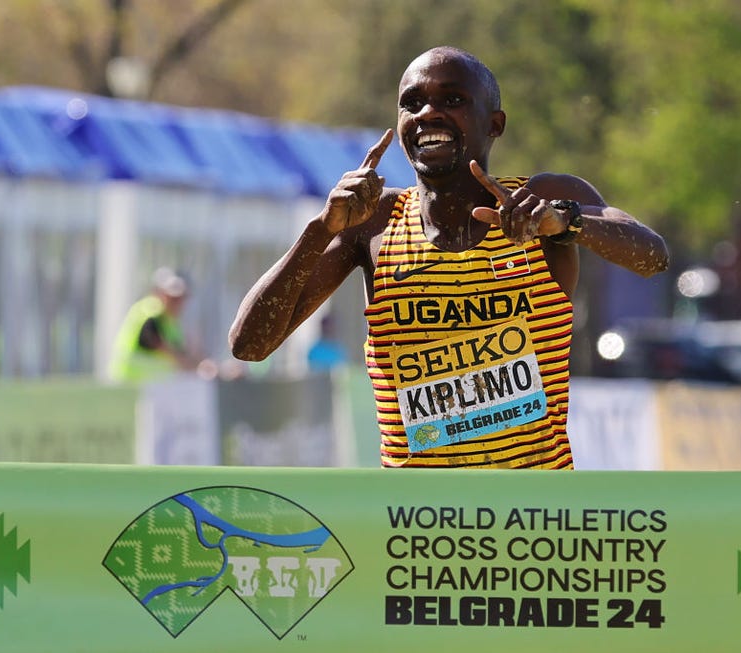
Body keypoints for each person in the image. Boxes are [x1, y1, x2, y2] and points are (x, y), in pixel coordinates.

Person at [229, 46, 669, 469]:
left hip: (532, 518)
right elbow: (249, 346)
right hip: (416, 520)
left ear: (494, 124)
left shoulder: (544, 200)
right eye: (412, 103)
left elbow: (653, 257)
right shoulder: (373, 223)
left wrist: (564, 222)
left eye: (453, 99)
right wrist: (321, 229)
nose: (427, 114)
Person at [109, 267, 203, 383]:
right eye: (173, 298)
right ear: (159, 293)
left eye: (181, 298)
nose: (178, 303)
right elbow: (161, 346)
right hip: (131, 384)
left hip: (152, 387)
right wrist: (195, 368)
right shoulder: (150, 311)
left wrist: (199, 364)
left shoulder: (172, 323)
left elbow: (182, 351)